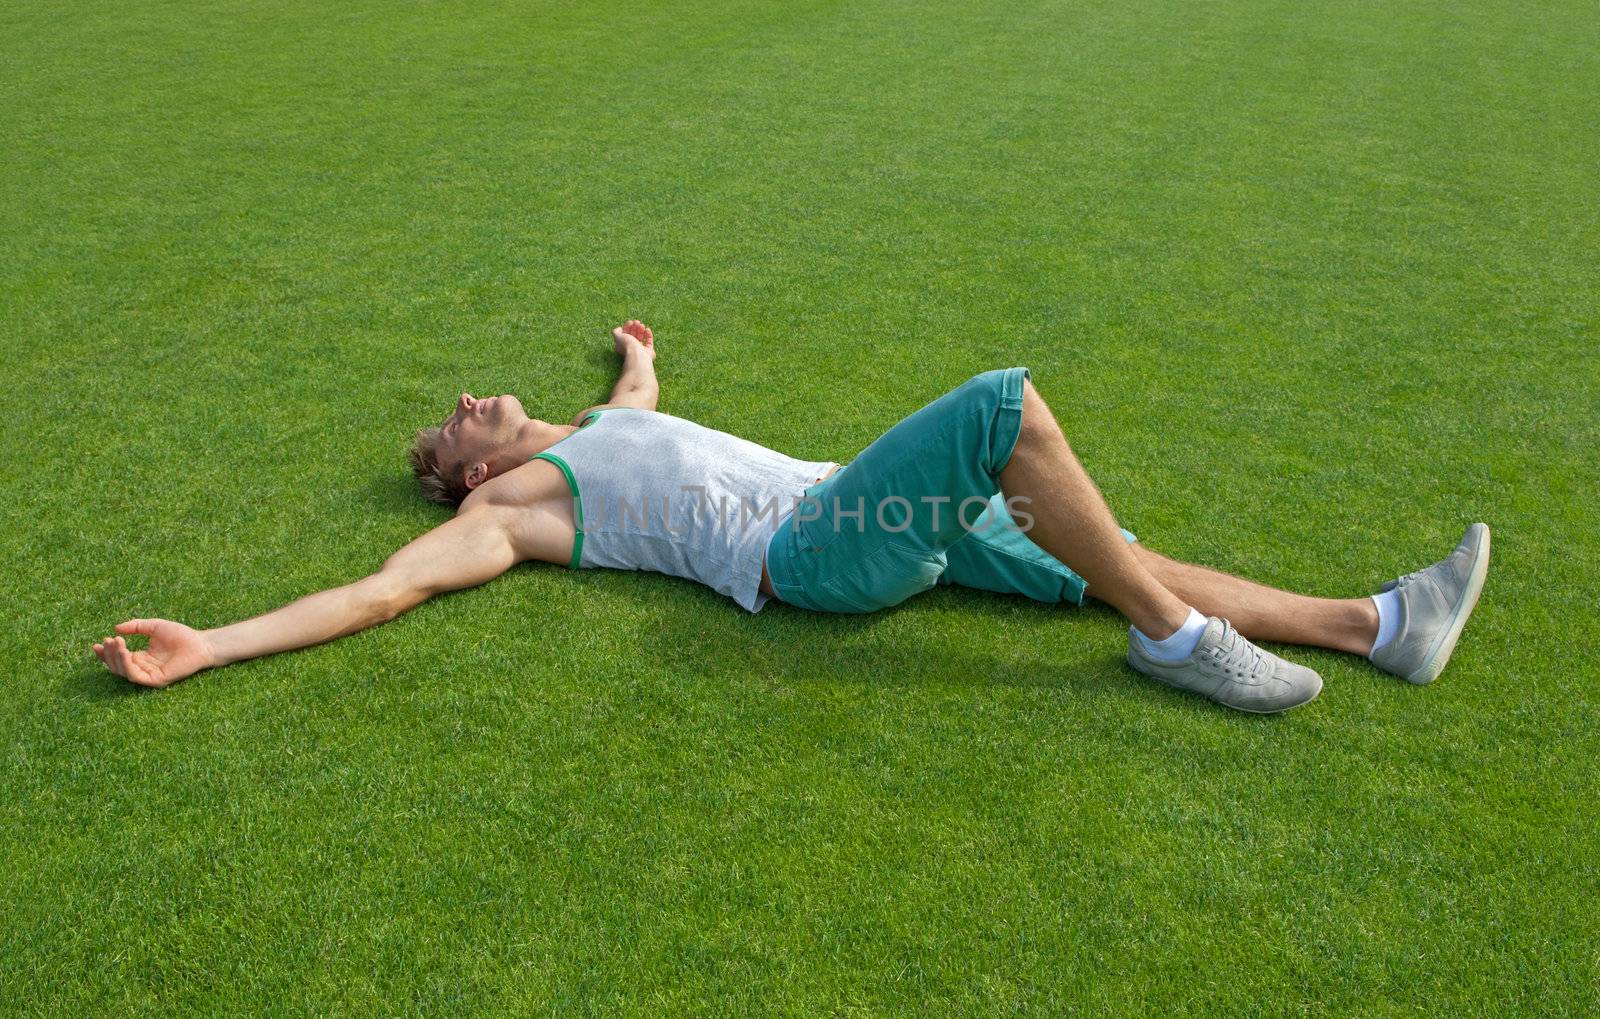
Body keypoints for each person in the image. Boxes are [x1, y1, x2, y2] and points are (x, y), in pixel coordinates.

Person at [91, 321, 1490, 713]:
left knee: (1107, 553)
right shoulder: (514, 508)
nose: (466, 400)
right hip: (813, 556)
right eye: (449, 423)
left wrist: (632, 355)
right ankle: (1183, 649)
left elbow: (643, 392)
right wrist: (213, 642)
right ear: (465, 475)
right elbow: (385, 589)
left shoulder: (607, 428)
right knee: (1004, 413)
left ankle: (1380, 627)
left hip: (850, 511)